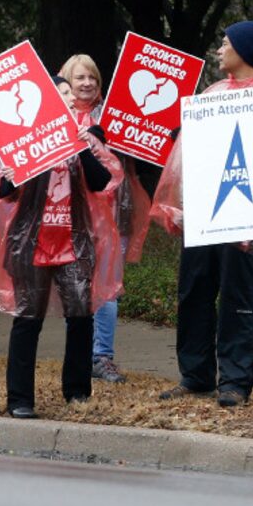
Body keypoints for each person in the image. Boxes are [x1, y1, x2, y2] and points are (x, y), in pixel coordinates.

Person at [151, 21, 253, 408]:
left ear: (245, 50)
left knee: (239, 298)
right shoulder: (213, 93)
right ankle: (196, 375)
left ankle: (235, 383)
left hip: (247, 220)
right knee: (194, 293)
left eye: (225, 44)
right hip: (204, 217)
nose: (219, 51)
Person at [0, 78, 123, 419]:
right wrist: (20, 169)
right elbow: (3, 190)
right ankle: (19, 399)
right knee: (28, 320)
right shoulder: (24, 140)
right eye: (59, 95)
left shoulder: (84, 138)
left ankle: (76, 392)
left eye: (69, 96)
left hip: (74, 242)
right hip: (30, 244)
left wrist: (80, 146)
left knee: (80, 317)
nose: (67, 100)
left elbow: (103, 182)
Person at [57, 53, 154, 386]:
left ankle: (102, 357)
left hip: (112, 212)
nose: (86, 84)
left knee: (109, 289)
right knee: (77, 288)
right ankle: (79, 357)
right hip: (67, 217)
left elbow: (145, 146)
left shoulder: (116, 115)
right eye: (79, 78)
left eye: (93, 78)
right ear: (65, 82)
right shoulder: (53, 118)